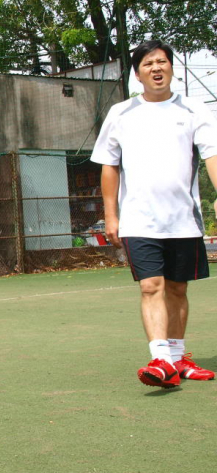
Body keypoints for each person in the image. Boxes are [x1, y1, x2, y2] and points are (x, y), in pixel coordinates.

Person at [91, 39, 217, 389]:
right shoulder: (121, 113)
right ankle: (160, 357)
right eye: (148, 64)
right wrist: (111, 215)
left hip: (183, 221)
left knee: (177, 288)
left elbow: (211, 156)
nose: (156, 69)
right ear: (138, 74)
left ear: (171, 68)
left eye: (162, 62)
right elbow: (108, 166)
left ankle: (178, 361)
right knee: (151, 286)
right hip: (138, 220)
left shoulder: (194, 110)